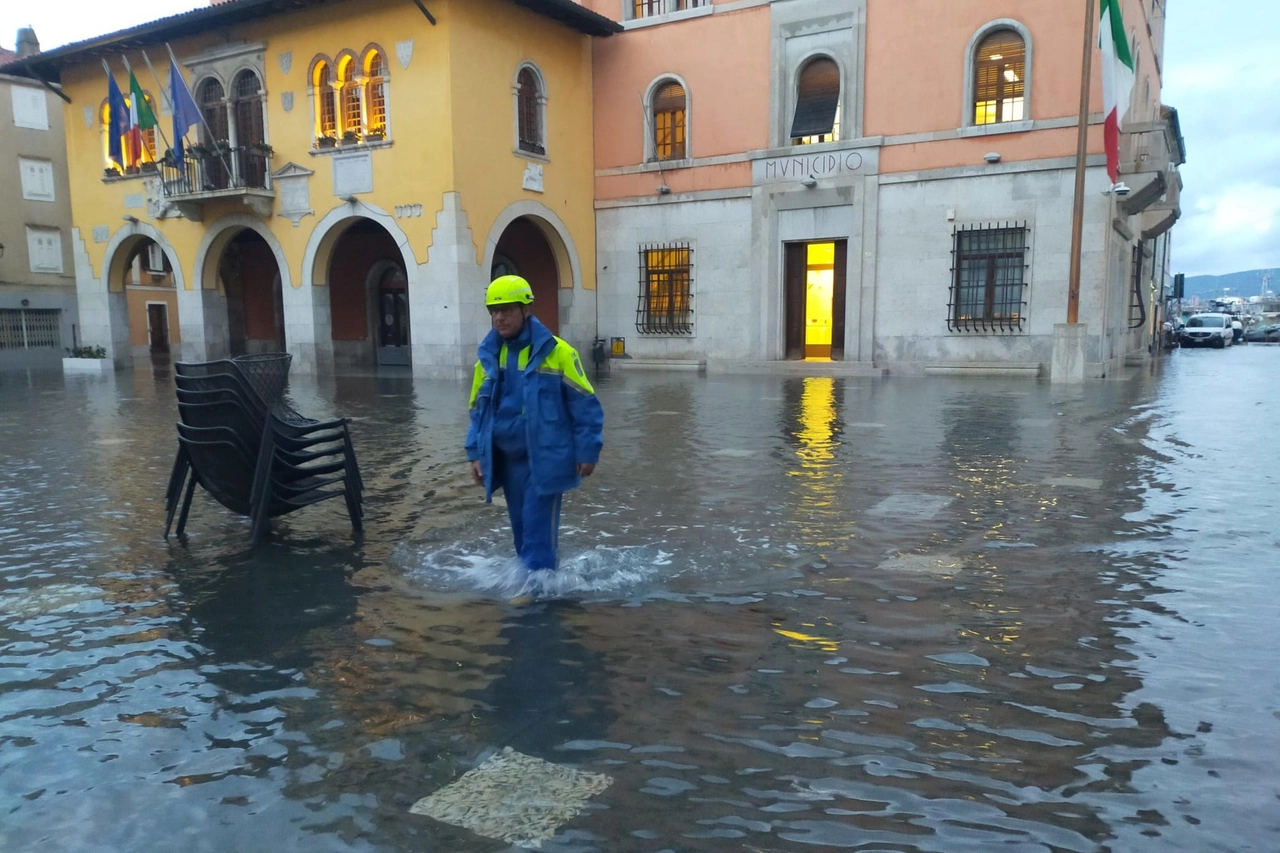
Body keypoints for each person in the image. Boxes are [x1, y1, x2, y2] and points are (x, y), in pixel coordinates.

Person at [465, 275, 604, 573]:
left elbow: (584, 406)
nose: (499, 317)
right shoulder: (488, 357)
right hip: (508, 459)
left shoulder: (559, 353)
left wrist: (587, 451)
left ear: (525, 310)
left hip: (546, 459)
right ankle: (533, 582)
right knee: (520, 528)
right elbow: (478, 410)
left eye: (507, 310)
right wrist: (475, 453)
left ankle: (538, 593)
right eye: (494, 311)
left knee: (538, 528)